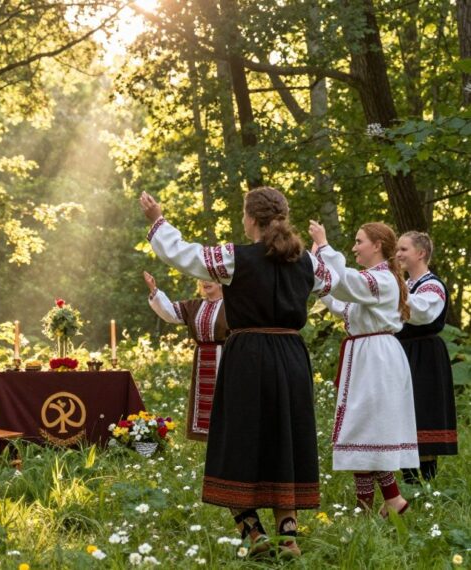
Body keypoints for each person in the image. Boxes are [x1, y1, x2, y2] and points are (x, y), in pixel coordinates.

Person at [140, 187, 336, 558]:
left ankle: (254, 534)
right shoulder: (308, 262)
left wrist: (157, 221)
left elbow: (185, 255)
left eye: (245, 215)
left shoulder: (236, 258)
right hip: (292, 357)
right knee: (285, 439)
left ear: (251, 219)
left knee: (237, 441)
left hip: (249, 357)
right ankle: (288, 537)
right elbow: (339, 284)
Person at [309, 221, 417, 516]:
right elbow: (342, 303)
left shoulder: (381, 279)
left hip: (376, 359)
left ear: (377, 245)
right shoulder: (374, 281)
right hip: (369, 355)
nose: (355, 247)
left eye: (359, 242)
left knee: (364, 430)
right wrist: (319, 268)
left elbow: (346, 282)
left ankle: (369, 508)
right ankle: (390, 502)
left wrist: (326, 246)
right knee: (367, 432)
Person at [394, 231, 457, 484]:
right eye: (397, 249)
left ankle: (428, 485)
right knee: (402, 414)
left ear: (421, 253)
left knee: (423, 414)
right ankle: (410, 484)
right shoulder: (405, 285)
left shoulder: (432, 286)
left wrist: (391, 289)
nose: (398, 254)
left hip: (425, 355)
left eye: (404, 249)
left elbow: (420, 313)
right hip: (402, 352)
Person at [144, 272, 226, 441]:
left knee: (225, 401)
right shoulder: (194, 306)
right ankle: (209, 441)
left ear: (221, 282)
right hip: (203, 358)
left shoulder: (232, 306)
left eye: (210, 278)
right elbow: (170, 313)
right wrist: (154, 290)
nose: (205, 281)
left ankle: (227, 439)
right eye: (202, 277)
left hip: (226, 357)